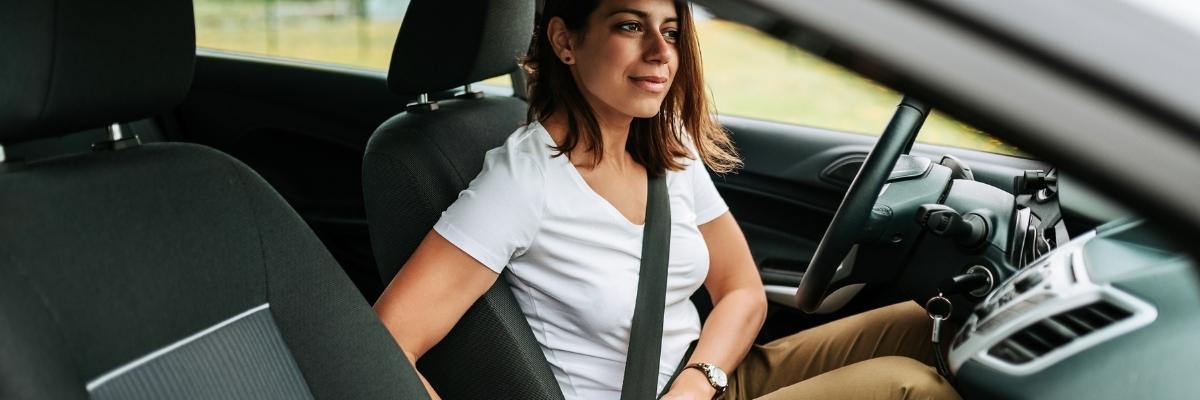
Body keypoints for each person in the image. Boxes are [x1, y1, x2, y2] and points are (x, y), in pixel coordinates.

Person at [373, 0, 961, 399]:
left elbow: (740, 289)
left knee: (935, 324)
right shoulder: (522, 181)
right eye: (630, 26)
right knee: (907, 386)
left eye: (672, 31)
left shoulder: (663, 143)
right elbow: (386, 341)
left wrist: (699, 382)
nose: (661, 52)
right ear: (564, 41)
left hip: (708, 378)